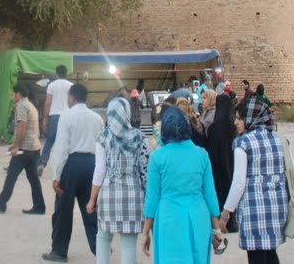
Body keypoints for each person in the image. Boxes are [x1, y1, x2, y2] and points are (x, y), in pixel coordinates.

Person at [140, 107, 224, 263]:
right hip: (198, 218)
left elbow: (152, 198)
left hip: (169, 220)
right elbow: (210, 194)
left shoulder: (157, 158)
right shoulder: (202, 154)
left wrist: (145, 232)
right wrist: (216, 228)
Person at [220, 97, 286, 264]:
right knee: (270, 252)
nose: (236, 123)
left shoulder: (243, 143)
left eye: (239, 119)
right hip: (277, 205)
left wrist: (226, 212)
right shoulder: (279, 139)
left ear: (250, 119)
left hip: (254, 207)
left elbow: (239, 182)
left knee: (256, 256)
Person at [44, 84, 104, 262]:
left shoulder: (66, 117)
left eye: (68, 98)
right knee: (91, 208)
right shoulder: (97, 118)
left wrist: (56, 176)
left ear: (72, 98)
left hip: (72, 165)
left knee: (63, 210)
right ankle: (101, 250)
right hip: (92, 165)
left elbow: (62, 148)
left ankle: (59, 252)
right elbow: (102, 146)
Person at [86, 97, 148, 264]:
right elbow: (144, 169)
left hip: (108, 195)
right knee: (128, 243)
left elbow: (99, 171)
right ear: (127, 113)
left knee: (103, 237)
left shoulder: (103, 137)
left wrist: (92, 199)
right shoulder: (138, 136)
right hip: (133, 196)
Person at [0, 83, 45, 214]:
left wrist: (17, 146)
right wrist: (15, 144)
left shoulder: (21, 106)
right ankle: (39, 206)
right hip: (34, 148)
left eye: (12, 94)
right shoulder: (30, 105)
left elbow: (22, 127)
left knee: (11, 176)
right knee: (34, 179)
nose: (11, 97)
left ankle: (1, 204)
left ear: (18, 94)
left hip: (24, 150)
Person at [206, 94, 238, 233]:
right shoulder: (233, 125)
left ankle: (221, 221)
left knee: (220, 192)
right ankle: (232, 222)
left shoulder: (214, 127)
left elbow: (211, 149)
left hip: (218, 166)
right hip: (232, 164)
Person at [40, 65, 72, 177]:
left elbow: (48, 103)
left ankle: (42, 164)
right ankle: (68, 166)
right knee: (68, 142)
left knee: (50, 141)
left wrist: (45, 118)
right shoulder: (71, 86)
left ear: (56, 73)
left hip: (54, 116)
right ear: (66, 73)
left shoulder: (52, 85)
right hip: (67, 116)